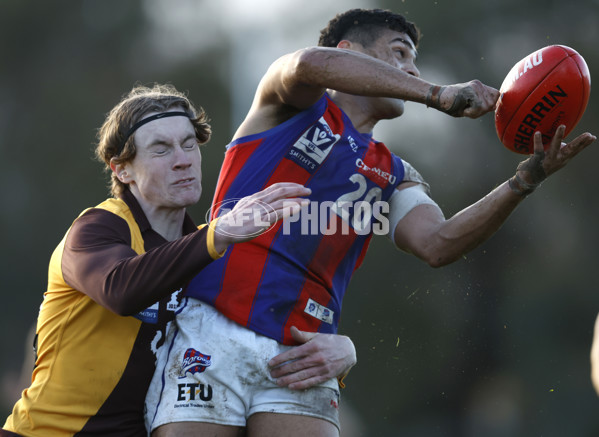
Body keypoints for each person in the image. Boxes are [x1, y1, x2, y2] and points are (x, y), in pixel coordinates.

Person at [146, 8, 596, 437]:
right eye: (400, 53)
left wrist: (525, 179)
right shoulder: (287, 103)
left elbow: (437, 243)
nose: (413, 71)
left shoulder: (395, 172)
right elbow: (309, 62)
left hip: (306, 351)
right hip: (213, 329)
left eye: (415, 63)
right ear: (349, 51)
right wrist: (438, 95)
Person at [0, 83, 357, 437]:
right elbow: (122, 290)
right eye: (161, 149)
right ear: (122, 170)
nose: (183, 159)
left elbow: (268, 319)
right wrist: (219, 233)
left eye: (189, 144)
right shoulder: (96, 228)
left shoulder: (209, 244)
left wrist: (342, 350)